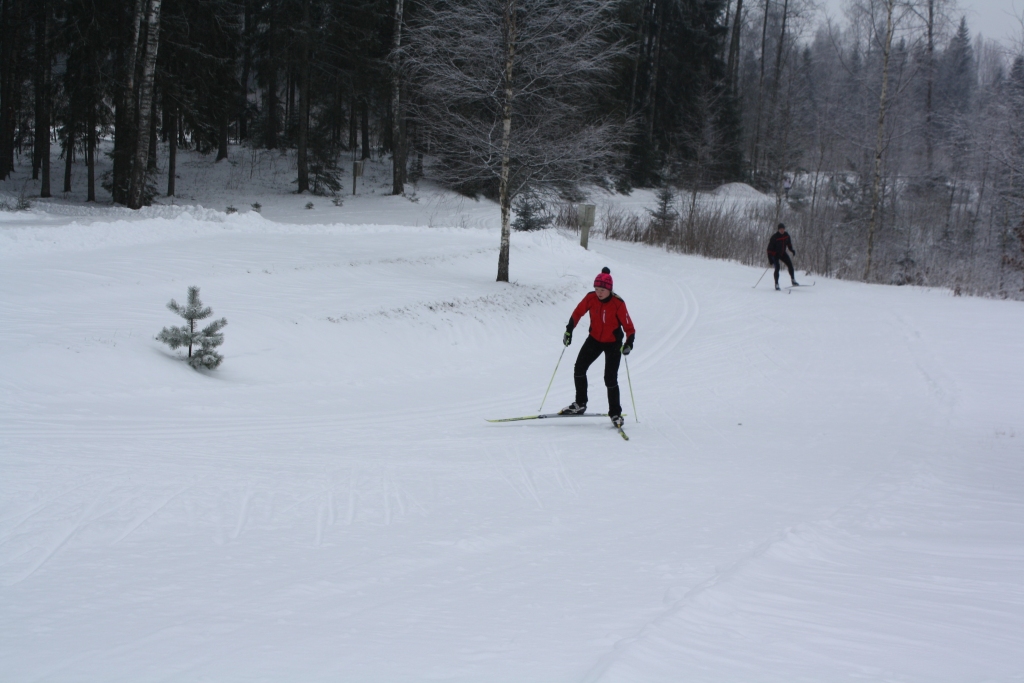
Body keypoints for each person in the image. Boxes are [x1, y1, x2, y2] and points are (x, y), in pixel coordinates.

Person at [559, 267, 635, 428]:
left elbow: (629, 327)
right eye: (597, 289)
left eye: (602, 290)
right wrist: (569, 330)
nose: (599, 293)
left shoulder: (618, 303)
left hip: (613, 343)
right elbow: (577, 313)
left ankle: (615, 413)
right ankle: (580, 404)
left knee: (610, 378)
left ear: (610, 289)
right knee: (579, 368)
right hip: (594, 340)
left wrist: (629, 343)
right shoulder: (591, 298)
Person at [767, 223, 798, 290]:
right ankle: (776, 284)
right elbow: (769, 249)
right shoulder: (774, 237)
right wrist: (770, 259)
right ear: (778, 230)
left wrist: (792, 250)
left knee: (790, 265)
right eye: (780, 229)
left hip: (783, 253)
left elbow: (789, 244)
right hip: (775, 254)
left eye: (783, 229)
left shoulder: (786, 235)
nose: (782, 230)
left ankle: (793, 280)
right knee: (777, 268)